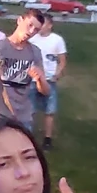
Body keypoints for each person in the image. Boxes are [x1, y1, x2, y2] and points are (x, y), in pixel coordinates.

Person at [0, 10, 51, 129]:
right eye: (29, 25)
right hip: (0, 114)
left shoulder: (35, 52)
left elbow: (45, 91)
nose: (31, 31)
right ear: (20, 20)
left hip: (24, 116)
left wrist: (40, 79)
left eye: (36, 30)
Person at [29, 14, 68, 149]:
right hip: (32, 80)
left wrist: (57, 74)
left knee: (49, 111)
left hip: (49, 80)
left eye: (43, 23)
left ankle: (47, 138)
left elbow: (62, 61)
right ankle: (28, 136)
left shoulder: (57, 40)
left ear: (50, 25)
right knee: (30, 110)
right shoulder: (32, 38)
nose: (40, 27)